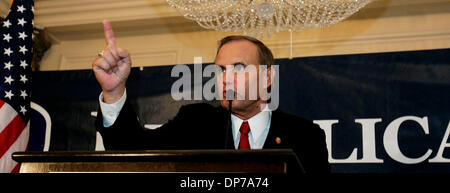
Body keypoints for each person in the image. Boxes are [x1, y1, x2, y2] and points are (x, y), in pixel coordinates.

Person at [92, 20, 330, 173]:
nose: (226, 79)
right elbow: (134, 152)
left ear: (267, 77)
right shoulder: (196, 121)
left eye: (238, 67)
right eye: (220, 70)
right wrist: (114, 90)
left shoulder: (306, 136)